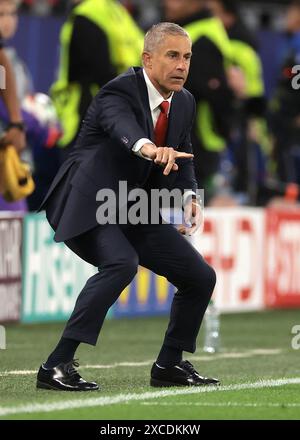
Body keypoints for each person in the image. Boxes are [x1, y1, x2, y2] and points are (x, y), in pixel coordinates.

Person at [36, 22, 219, 391]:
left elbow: (184, 155)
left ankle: (169, 365)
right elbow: (123, 128)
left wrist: (189, 197)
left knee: (200, 276)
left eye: (186, 57)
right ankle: (55, 367)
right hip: (86, 200)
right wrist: (148, 148)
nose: (182, 65)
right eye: (172, 56)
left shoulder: (184, 101)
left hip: (130, 205)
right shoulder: (118, 91)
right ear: (147, 59)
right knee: (121, 263)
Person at [162, 0, 245, 201]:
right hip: (193, 143)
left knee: (184, 219)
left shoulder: (198, 38)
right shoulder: (195, 30)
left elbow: (213, 94)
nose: (168, 2)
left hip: (192, 145)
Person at [51, 0, 144, 157]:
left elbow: (94, 69)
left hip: (87, 114)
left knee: (77, 177)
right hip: (121, 111)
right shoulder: (118, 12)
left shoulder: (86, 14)